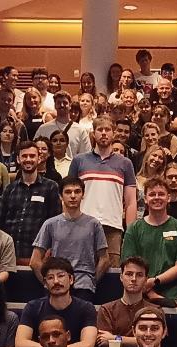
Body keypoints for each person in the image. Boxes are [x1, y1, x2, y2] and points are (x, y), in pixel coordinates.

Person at [67, 115, 137, 278]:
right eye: (100, 130)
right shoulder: (79, 161)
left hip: (112, 228)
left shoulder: (125, 163)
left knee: (110, 275)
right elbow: (69, 195)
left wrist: (130, 232)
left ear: (113, 133)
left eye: (107, 129)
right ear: (93, 133)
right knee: (79, 271)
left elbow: (131, 202)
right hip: (82, 225)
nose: (104, 133)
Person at [29, 176, 108, 301]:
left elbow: (104, 259)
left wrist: (92, 281)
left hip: (84, 285)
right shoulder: (50, 224)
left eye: (77, 191)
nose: (73, 196)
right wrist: (47, 283)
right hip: (57, 284)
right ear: (60, 196)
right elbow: (34, 261)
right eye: (68, 192)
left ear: (83, 195)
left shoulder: (94, 224)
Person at [121, 177, 177, 307]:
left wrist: (155, 281)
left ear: (168, 197)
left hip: (171, 296)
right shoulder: (134, 229)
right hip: (138, 294)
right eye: (152, 194)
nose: (156, 197)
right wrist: (150, 293)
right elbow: (129, 265)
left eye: (161, 194)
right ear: (145, 199)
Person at [14, 258, 98, 347]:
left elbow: (87, 345)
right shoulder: (33, 307)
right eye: (50, 277)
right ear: (45, 283)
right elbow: (20, 344)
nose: (56, 281)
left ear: (71, 279)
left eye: (60, 276)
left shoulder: (86, 308)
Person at [0, 141, 62, 264]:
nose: (28, 159)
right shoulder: (9, 189)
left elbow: (55, 223)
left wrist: (50, 250)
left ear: (39, 159)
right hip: (10, 256)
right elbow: (0, 224)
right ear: (18, 159)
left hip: (38, 257)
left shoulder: (51, 187)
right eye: (24, 156)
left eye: (32, 156)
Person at [96, 256, 159, 347]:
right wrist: (138, 341)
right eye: (129, 274)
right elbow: (104, 344)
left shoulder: (155, 311)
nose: (133, 279)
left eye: (139, 275)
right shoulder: (106, 309)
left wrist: (115, 338)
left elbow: (154, 342)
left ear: (146, 279)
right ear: (121, 277)